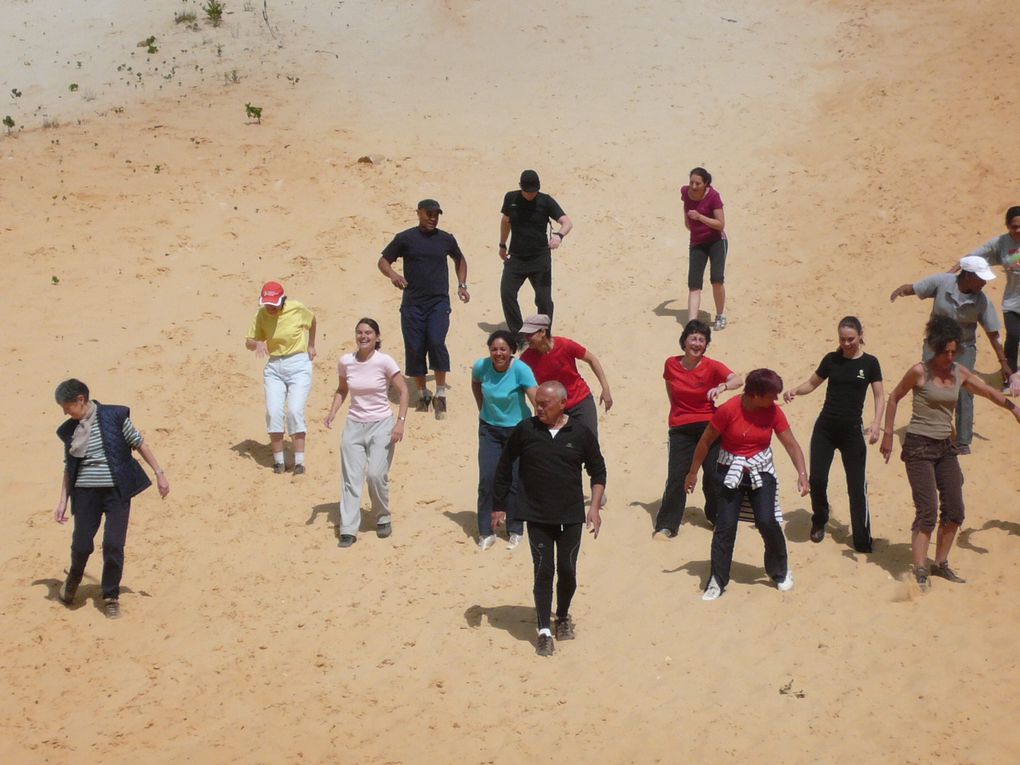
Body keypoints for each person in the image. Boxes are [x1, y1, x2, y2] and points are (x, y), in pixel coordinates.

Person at [880, 315, 1020, 590]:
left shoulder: (959, 373)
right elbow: (895, 396)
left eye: (954, 351)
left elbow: (988, 392)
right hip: (918, 445)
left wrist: (1012, 408)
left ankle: (940, 563)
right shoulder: (919, 371)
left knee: (955, 509)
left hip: (945, 447)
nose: (950, 356)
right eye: (946, 351)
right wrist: (887, 435)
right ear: (936, 346)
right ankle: (920, 568)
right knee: (927, 510)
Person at [492, 381, 605, 657]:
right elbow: (504, 466)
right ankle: (543, 630)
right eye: (537, 402)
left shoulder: (580, 433)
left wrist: (595, 508)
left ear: (563, 404)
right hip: (537, 514)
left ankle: (563, 615)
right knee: (543, 570)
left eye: (545, 403)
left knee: (567, 570)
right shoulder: (526, 430)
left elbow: (598, 470)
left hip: (569, 515)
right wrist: (498, 506)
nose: (538, 407)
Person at [685, 369, 809, 601]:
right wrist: (692, 473)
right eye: (771, 395)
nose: (775, 400)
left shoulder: (773, 412)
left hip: (761, 470)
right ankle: (717, 580)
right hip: (730, 470)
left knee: (767, 521)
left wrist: (802, 474)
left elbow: (791, 445)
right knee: (725, 525)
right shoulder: (729, 410)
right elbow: (705, 442)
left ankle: (779, 571)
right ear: (754, 395)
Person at [53, 379, 171, 619]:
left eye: (67, 406)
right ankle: (74, 579)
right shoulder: (70, 430)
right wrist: (63, 500)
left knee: (114, 544)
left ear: (81, 400)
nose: (65, 411)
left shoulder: (114, 417)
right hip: (85, 494)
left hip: (117, 491)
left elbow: (139, 443)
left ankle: (110, 596)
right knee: (82, 543)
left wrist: (159, 473)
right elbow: (69, 468)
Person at [783, 316, 885, 552]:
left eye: (850, 339)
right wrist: (795, 391)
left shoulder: (870, 363)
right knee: (817, 480)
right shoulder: (831, 360)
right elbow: (812, 383)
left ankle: (862, 537)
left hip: (852, 433)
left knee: (857, 486)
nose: (846, 344)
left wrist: (876, 423)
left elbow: (880, 396)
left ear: (860, 335)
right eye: (842, 339)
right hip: (826, 429)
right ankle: (819, 519)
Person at [890, 256, 1010, 454]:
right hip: (935, 345)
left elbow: (992, 333)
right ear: (969, 276)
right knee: (928, 384)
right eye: (981, 278)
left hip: (963, 348)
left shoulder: (982, 301)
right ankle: (929, 430)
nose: (985, 282)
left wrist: (1003, 361)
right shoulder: (943, 282)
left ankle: (963, 440)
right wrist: (902, 290)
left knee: (965, 389)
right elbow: (917, 287)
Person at [378, 199, 470, 420]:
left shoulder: (446, 239)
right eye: (429, 213)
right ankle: (422, 392)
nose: (433, 218)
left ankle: (439, 393)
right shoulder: (405, 238)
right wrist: (393, 275)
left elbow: (460, 259)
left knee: (436, 341)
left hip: (438, 302)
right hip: (412, 303)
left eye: (436, 214)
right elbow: (383, 261)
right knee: (415, 347)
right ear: (418, 213)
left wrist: (462, 285)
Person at [653, 319, 743, 539]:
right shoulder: (671, 364)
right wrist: (678, 412)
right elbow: (670, 388)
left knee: (713, 476)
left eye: (702, 340)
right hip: (681, 428)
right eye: (693, 338)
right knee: (677, 476)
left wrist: (722, 386)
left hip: (709, 427)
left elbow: (737, 380)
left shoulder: (711, 366)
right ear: (684, 341)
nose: (696, 343)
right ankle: (667, 524)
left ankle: (715, 516)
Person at [324, 319, 410, 548]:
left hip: (382, 425)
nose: (363, 337)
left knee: (375, 474)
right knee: (351, 478)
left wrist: (400, 422)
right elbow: (342, 390)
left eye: (368, 333)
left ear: (377, 337)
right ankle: (348, 529)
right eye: (360, 333)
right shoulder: (346, 362)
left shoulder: (385, 361)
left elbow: (403, 391)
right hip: (354, 425)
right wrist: (333, 412)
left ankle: (382, 516)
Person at [471, 330, 537, 552]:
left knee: (515, 479)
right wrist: (483, 409)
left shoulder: (520, 369)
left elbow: (535, 397)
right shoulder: (481, 366)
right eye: (494, 349)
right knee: (487, 478)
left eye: (503, 349)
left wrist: (543, 426)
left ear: (511, 351)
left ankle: (515, 528)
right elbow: (475, 384)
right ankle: (486, 531)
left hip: (517, 430)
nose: (498, 353)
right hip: (489, 429)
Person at [245, 280, 316, 474]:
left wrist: (311, 345)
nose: (270, 307)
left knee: (294, 410)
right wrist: (258, 343)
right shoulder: (261, 315)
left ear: (282, 300)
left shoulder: (296, 308)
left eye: (273, 304)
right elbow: (249, 341)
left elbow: (312, 321)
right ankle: (279, 461)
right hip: (275, 365)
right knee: (274, 411)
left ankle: (299, 461)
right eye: (267, 303)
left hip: (298, 363)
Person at [499, 170, 572, 336]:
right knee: (507, 293)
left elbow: (567, 222)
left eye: (534, 191)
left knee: (544, 300)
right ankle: (519, 336)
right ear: (520, 187)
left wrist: (559, 236)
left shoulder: (545, 201)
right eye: (528, 191)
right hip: (516, 256)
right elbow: (505, 222)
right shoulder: (511, 198)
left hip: (540, 258)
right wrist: (502, 245)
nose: (531, 194)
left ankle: (544, 335)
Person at [518, 314, 612, 441]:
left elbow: (591, 359)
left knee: (590, 443)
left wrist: (605, 388)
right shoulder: (526, 359)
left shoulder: (565, 345)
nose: (527, 338)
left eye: (530, 334)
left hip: (580, 401)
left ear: (542, 332)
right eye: (525, 334)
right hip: (553, 409)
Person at [960, 206, 1020, 382]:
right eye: (1014, 226)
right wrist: (951, 273)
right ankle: (1010, 376)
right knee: (1014, 336)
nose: (1018, 230)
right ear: (1007, 226)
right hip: (1012, 302)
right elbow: (973, 258)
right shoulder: (1001, 243)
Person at [681, 167, 728, 330]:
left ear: (706, 183)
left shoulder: (713, 197)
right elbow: (685, 207)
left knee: (716, 280)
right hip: (697, 242)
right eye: (691, 182)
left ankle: (720, 315)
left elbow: (720, 224)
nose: (693, 186)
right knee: (694, 285)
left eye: (697, 183)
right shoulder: (685, 192)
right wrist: (688, 222)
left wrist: (700, 217)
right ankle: (691, 324)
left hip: (716, 241)